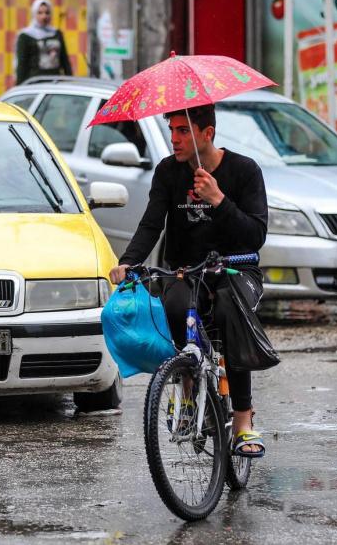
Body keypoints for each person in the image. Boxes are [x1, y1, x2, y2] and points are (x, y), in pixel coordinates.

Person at [109, 104, 269, 457]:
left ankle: (242, 421)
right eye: (172, 130)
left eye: (183, 131)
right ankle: (188, 391)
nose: (174, 139)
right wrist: (128, 262)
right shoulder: (169, 172)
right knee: (176, 305)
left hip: (236, 270)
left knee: (230, 311)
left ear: (206, 133)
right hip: (186, 271)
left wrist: (218, 199)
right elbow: (152, 224)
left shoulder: (244, 171)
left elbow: (256, 234)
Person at [15, 0, 73, 85]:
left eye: (47, 13)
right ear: (34, 14)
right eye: (40, 13)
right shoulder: (25, 36)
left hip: (55, 82)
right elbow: (22, 64)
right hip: (34, 83)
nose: (44, 16)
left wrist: (69, 81)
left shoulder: (56, 33)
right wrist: (20, 86)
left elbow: (64, 60)